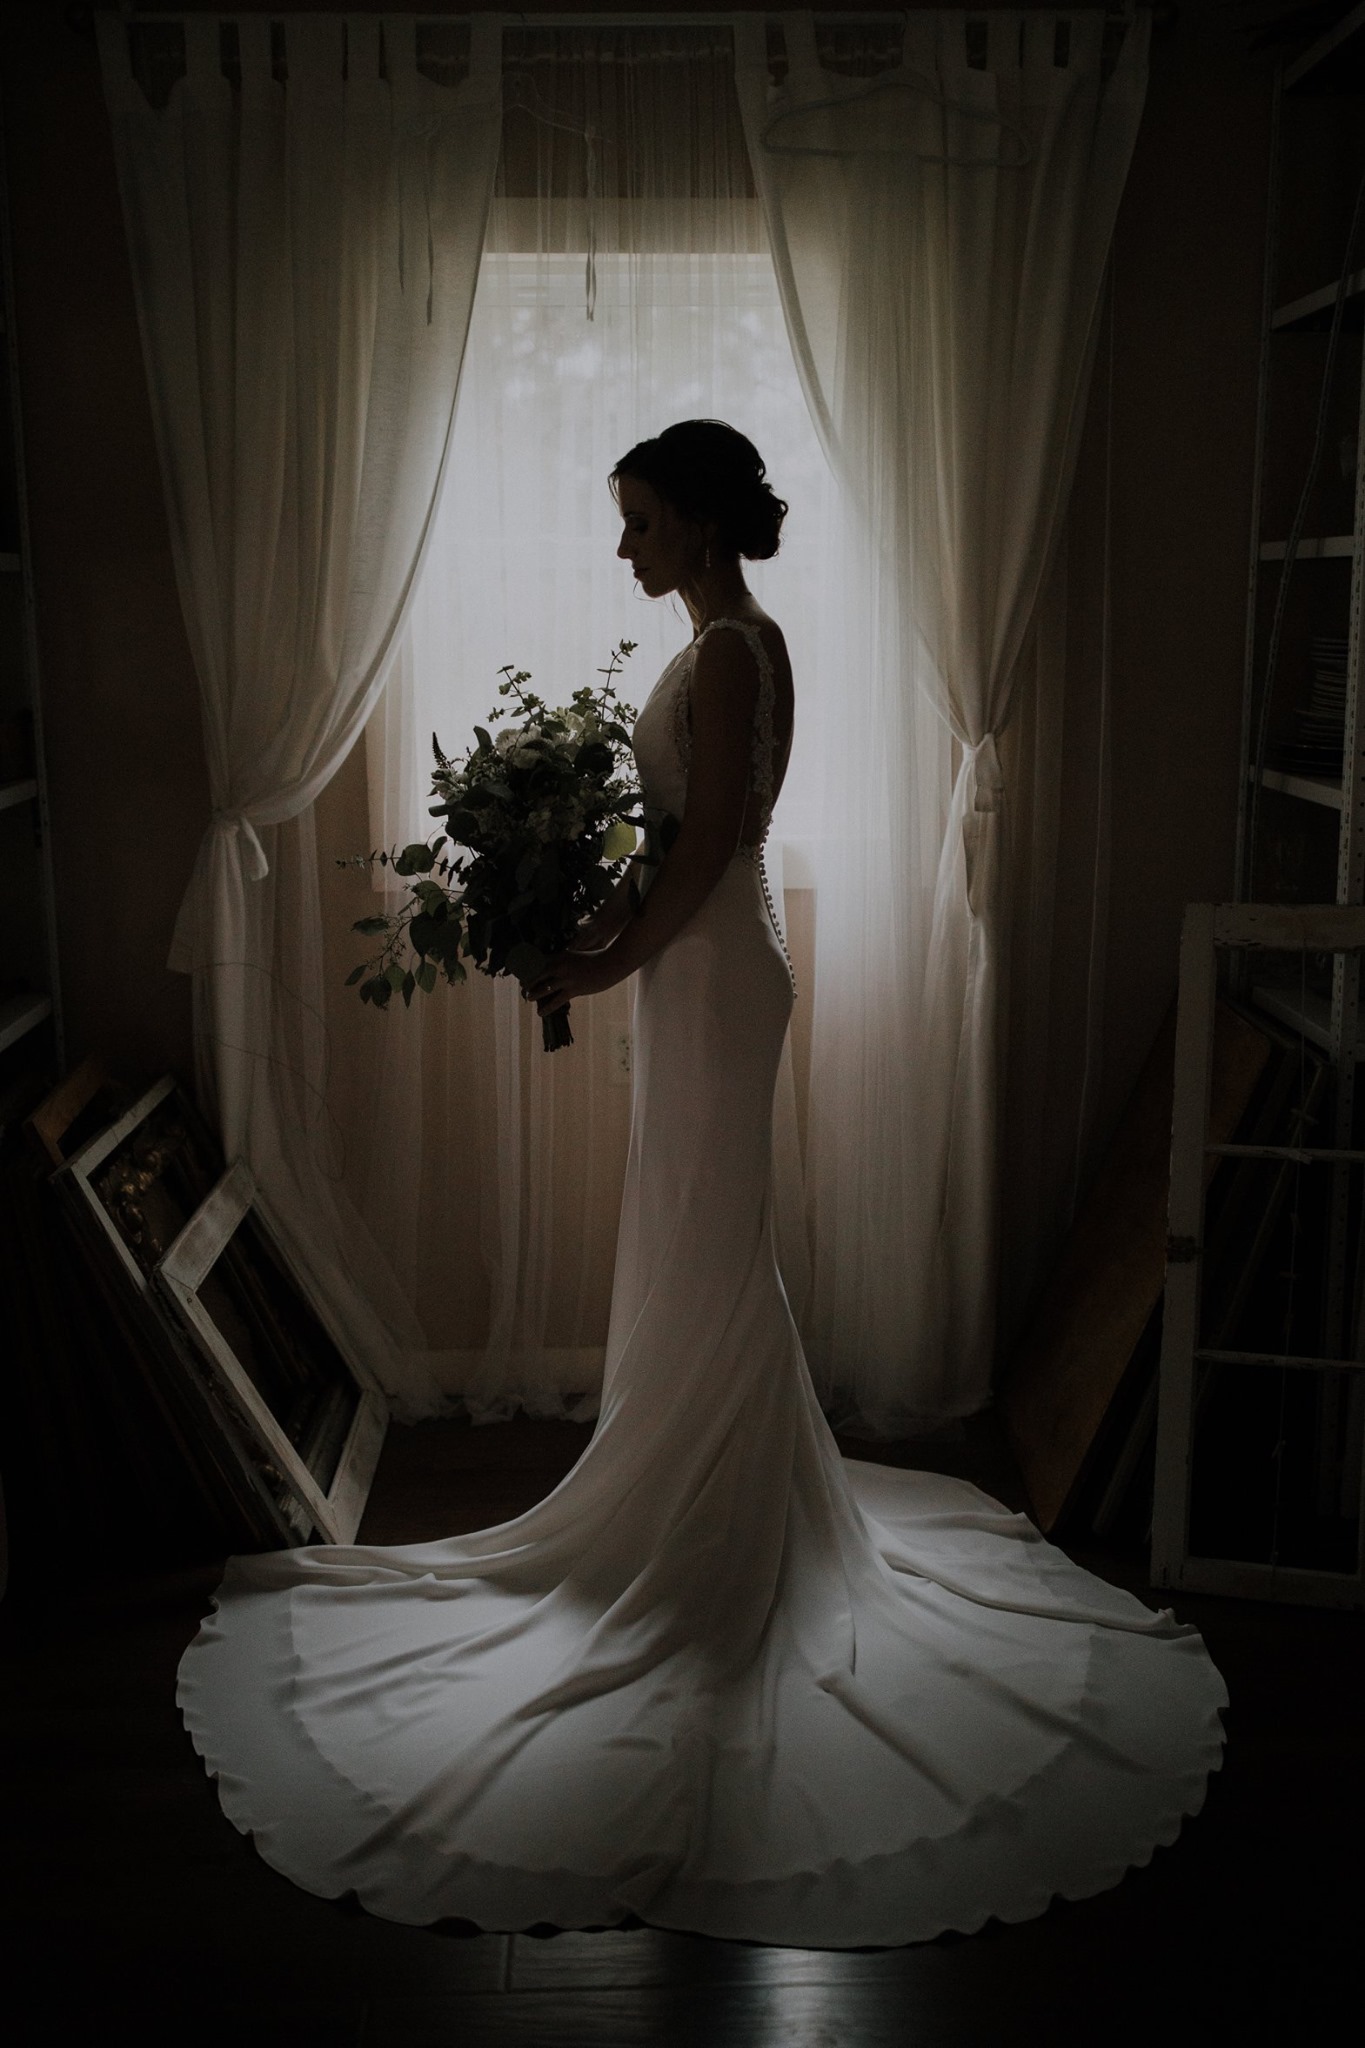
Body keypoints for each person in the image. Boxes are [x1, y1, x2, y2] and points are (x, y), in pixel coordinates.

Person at [177, 420, 1227, 1949]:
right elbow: (673, 843)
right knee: (689, 1244)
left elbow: (707, 852)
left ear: (698, 519)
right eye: (622, 523)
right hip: (701, 969)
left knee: (706, 1245)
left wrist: (598, 961)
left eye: (639, 520)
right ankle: (695, 1492)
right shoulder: (722, 641)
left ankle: (712, 1539)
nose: (623, 547)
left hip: (715, 971)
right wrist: (589, 925)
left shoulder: (733, 648)